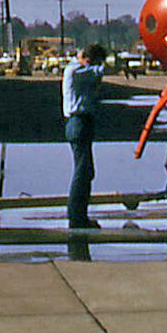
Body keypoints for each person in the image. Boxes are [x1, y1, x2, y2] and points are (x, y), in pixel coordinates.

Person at [61, 44, 108, 230]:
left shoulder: (79, 69)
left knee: (86, 170)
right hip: (78, 122)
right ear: (88, 59)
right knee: (82, 171)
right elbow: (98, 72)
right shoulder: (75, 70)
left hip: (82, 122)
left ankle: (80, 215)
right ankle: (77, 217)